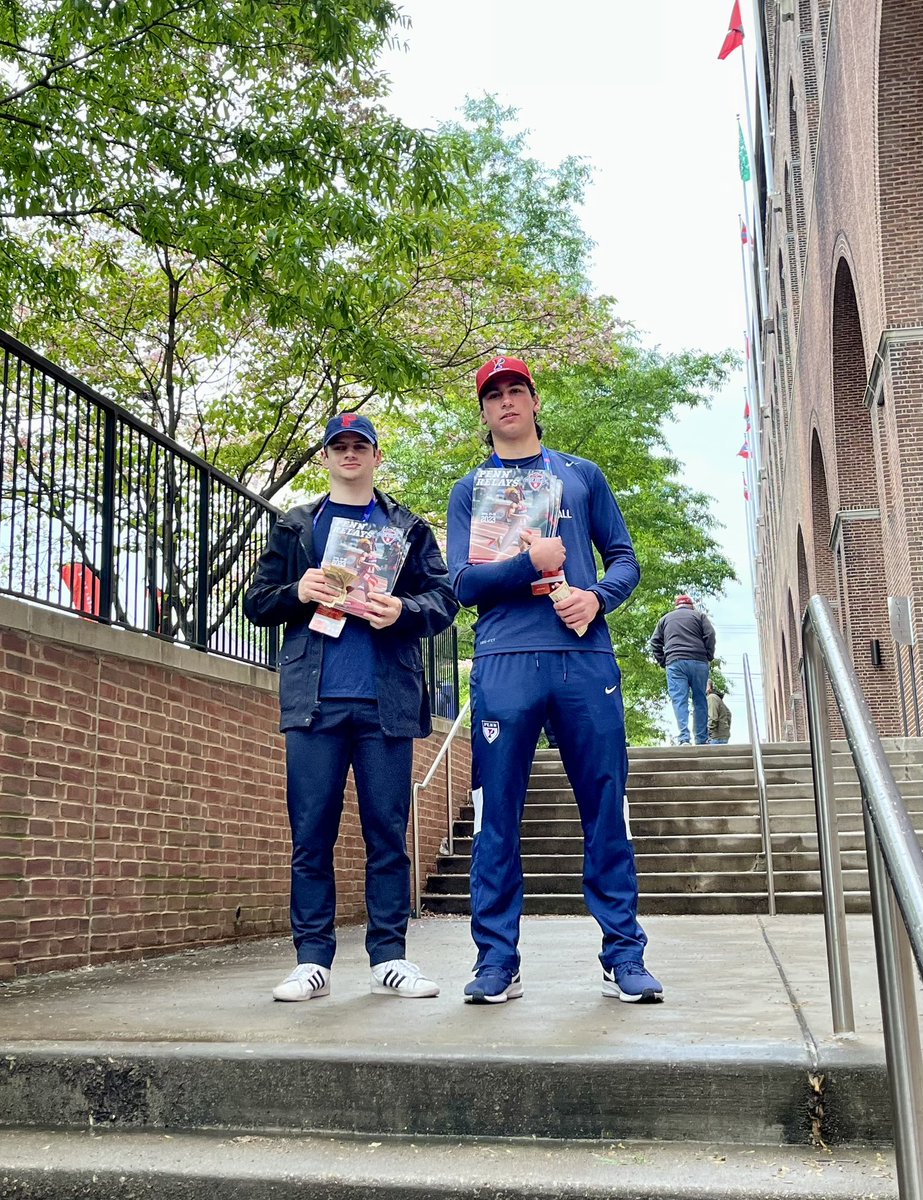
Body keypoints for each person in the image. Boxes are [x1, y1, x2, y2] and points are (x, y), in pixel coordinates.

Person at [446, 354, 662, 1006]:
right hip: (504, 659)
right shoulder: (472, 489)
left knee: (605, 806)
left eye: (516, 390)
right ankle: (496, 960)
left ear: (535, 401)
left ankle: (623, 956)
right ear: (484, 412)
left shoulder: (580, 475)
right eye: (494, 395)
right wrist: (528, 563)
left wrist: (597, 598)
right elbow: (462, 584)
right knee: (496, 815)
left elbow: (624, 559)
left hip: (582, 655)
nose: (506, 401)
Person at [244, 414, 458, 1002]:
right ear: (325, 457)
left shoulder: (406, 527)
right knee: (310, 834)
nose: (349, 454)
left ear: (376, 455)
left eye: (359, 445)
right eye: (338, 446)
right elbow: (256, 602)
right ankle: (311, 960)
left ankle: (390, 957)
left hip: (386, 702)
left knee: (388, 835)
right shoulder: (297, 526)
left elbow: (443, 599)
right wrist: (299, 591)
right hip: (314, 703)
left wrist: (404, 611)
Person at [649, 596, 716, 746]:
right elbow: (710, 634)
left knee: (679, 700)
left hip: (675, 662)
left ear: (676, 606)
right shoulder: (700, 616)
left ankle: (684, 738)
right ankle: (701, 739)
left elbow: (654, 642)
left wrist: (663, 661)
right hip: (699, 661)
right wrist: (709, 654)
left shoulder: (665, 619)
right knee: (700, 699)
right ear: (691, 606)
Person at [707, 679, 732, 744]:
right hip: (722, 736)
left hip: (715, 737)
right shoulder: (717, 698)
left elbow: (713, 718)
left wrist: (707, 733)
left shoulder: (711, 697)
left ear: (709, 688)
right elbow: (729, 714)